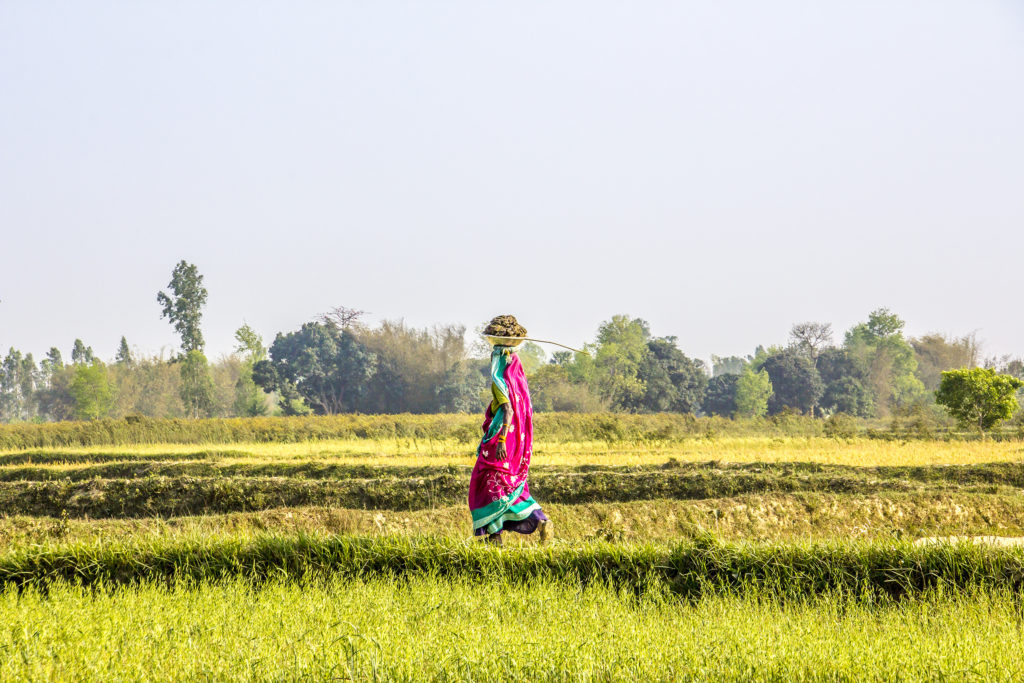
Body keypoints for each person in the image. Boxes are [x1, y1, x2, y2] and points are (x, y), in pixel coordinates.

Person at [468, 321, 551, 546]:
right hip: (515, 440)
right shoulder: (516, 379)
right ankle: (537, 519)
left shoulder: (501, 381)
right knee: (508, 482)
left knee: (488, 481)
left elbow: (507, 409)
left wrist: (502, 438)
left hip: (502, 437)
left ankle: (495, 537)